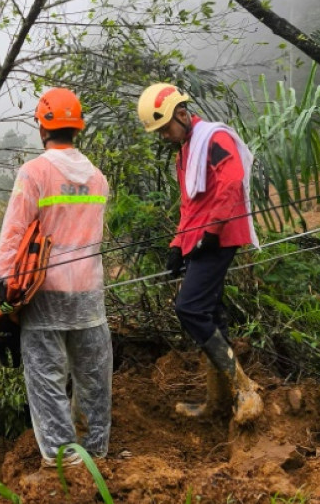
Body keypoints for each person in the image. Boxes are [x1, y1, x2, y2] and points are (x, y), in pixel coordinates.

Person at [0, 88, 112, 467]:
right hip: (89, 291)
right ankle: (96, 452)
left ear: (42, 126)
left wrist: (1, 285)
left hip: (43, 293)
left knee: (46, 379)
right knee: (94, 377)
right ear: (78, 127)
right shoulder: (97, 178)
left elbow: (14, 233)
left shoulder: (35, 173)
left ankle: (63, 462)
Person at [136, 82, 263, 424]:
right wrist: (177, 246)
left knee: (189, 309)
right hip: (202, 239)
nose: (163, 136)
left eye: (165, 128)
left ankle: (245, 390)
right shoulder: (186, 150)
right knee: (211, 315)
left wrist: (210, 231)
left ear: (181, 113)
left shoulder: (214, 139)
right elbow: (189, 205)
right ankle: (218, 403)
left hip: (219, 238)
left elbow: (231, 182)